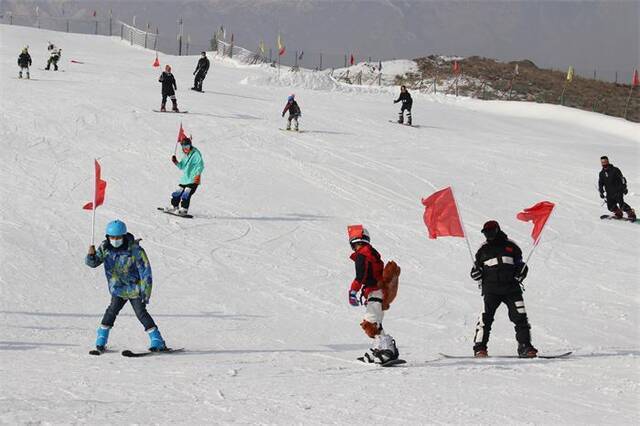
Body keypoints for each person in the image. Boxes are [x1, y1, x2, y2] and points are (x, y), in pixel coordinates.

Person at [85, 220, 167, 352]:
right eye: (112, 237)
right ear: (107, 237)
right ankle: (101, 338)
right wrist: (90, 255)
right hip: (118, 289)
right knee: (111, 311)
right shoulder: (105, 248)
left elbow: (145, 272)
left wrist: (145, 293)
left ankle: (157, 340)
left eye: (118, 237)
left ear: (123, 236)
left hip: (135, 289)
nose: (115, 240)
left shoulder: (135, 250)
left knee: (141, 313)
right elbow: (93, 263)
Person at [470, 221, 537, 358]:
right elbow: (477, 269)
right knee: (485, 318)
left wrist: (522, 272)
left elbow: (520, 264)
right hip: (491, 290)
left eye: (490, 231)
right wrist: (475, 274)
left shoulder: (511, 246)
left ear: (497, 230)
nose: (488, 235)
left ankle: (525, 346)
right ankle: (480, 348)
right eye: (485, 232)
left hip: (511, 289)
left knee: (520, 317)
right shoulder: (483, 250)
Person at [347, 225, 400, 364]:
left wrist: (353, 291)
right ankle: (379, 348)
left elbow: (361, 276)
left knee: (369, 323)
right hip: (378, 292)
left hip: (375, 291)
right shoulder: (370, 253)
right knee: (376, 323)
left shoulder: (363, 255)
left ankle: (387, 348)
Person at [166, 137, 204, 215]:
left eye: (187, 147)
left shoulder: (196, 154)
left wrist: (197, 175)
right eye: (183, 147)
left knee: (186, 193)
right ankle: (174, 206)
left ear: (190, 145)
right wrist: (176, 162)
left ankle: (184, 209)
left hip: (193, 179)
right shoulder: (186, 154)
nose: (185, 149)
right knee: (178, 192)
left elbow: (200, 165)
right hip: (185, 179)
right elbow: (182, 166)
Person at [599, 156, 635, 220]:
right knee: (610, 207)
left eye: (605, 161)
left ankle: (631, 213)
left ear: (608, 161)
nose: (604, 163)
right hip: (609, 192)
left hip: (618, 191)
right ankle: (619, 213)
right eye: (602, 162)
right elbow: (601, 183)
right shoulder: (601, 173)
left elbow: (622, 179)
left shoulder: (615, 170)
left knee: (621, 204)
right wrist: (601, 192)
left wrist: (624, 188)